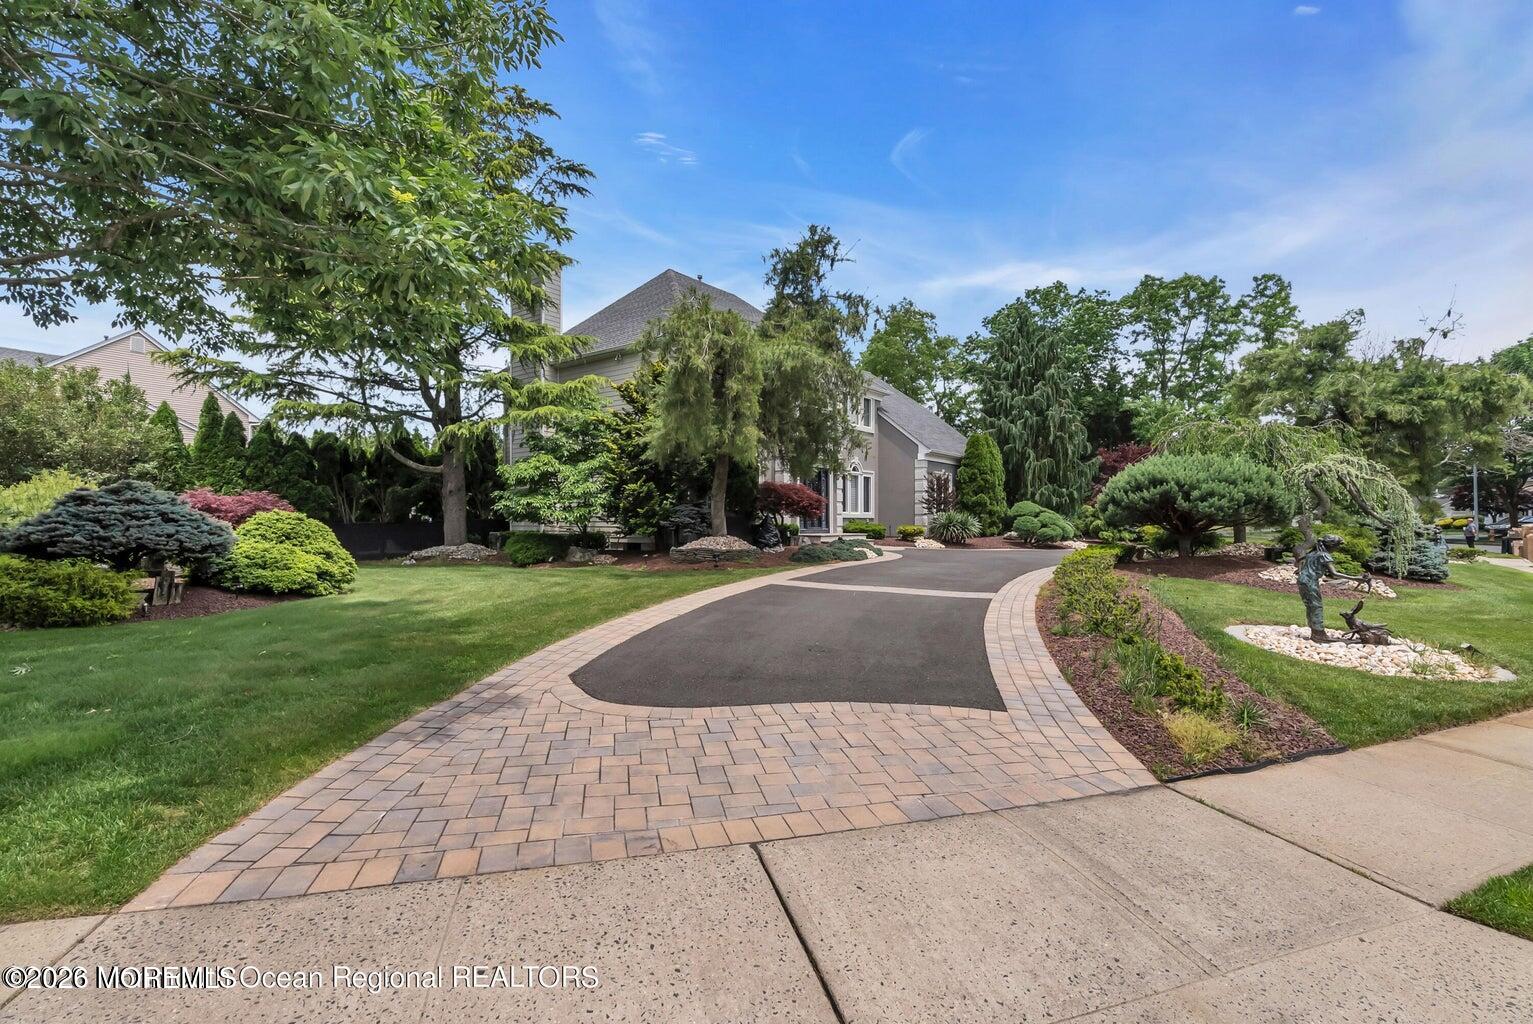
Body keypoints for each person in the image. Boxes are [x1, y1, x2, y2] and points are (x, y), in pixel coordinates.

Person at [1296, 535, 1371, 643]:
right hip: (1309, 581)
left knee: (1311, 606)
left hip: (1303, 580)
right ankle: (1318, 634)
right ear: (1332, 546)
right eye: (1337, 547)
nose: (1337, 549)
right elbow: (1334, 574)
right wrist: (1355, 578)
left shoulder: (1312, 553)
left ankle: (1316, 631)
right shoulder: (1324, 555)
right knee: (1316, 606)